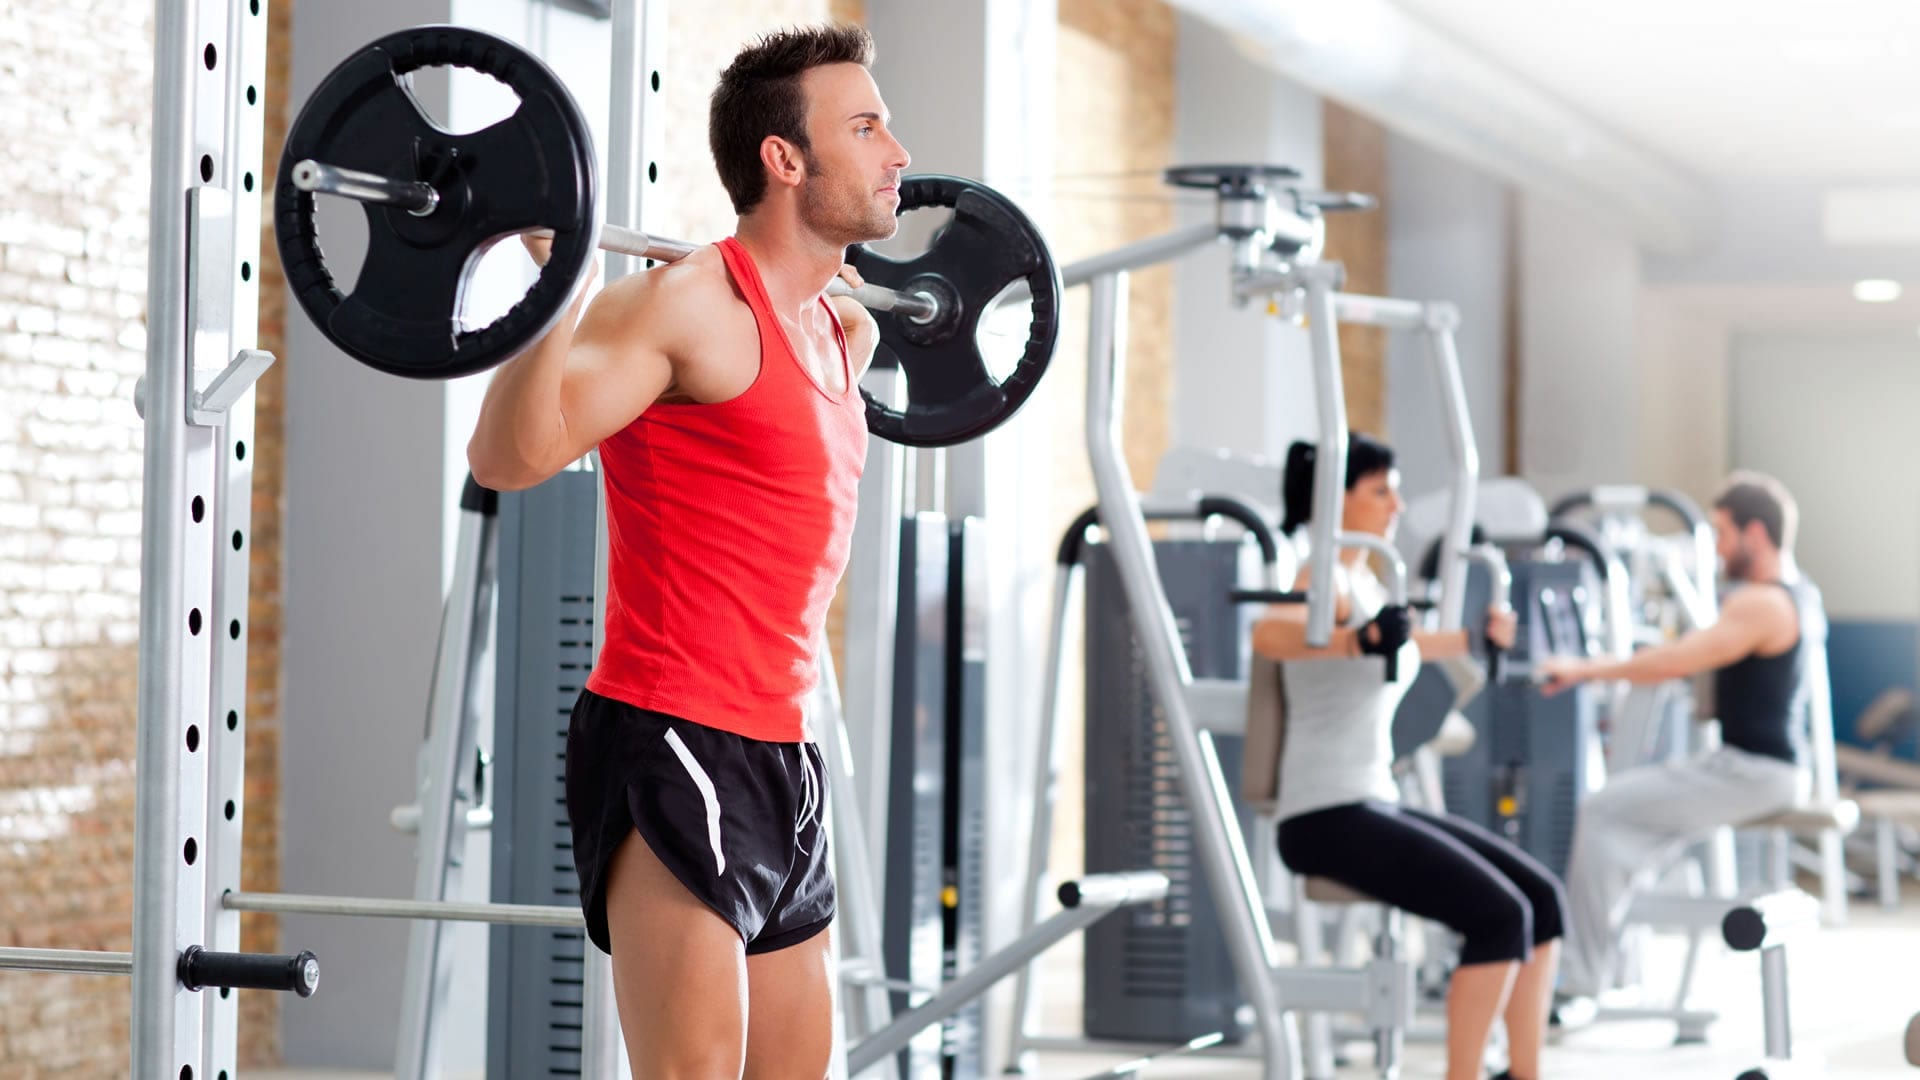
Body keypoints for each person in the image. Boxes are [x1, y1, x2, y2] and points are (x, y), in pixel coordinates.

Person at [466, 23, 909, 1078]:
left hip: (786, 758)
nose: (898, 152)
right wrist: (560, 285)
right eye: (866, 125)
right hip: (674, 737)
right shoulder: (685, 309)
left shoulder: (848, 334)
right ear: (784, 159)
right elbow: (508, 457)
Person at [1253, 434, 1566, 1080]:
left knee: (1542, 898)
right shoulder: (1323, 572)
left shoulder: (1361, 578)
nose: (1397, 504)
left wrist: (1473, 637)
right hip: (1324, 815)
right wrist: (1356, 640)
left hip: (1368, 798)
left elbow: (1406, 640)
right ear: (1334, 499)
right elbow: (1270, 632)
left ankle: (1526, 1075)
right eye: (1379, 491)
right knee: (1500, 916)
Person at [1536, 471, 1820, 1007]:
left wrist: (1583, 668)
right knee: (1626, 825)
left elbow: (1672, 661)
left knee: (1602, 811)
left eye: (1722, 534)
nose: (1715, 548)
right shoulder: (1801, 593)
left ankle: (1579, 981)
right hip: (1759, 767)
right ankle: (1610, 955)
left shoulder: (1759, 602)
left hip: (1753, 772)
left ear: (1754, 534)